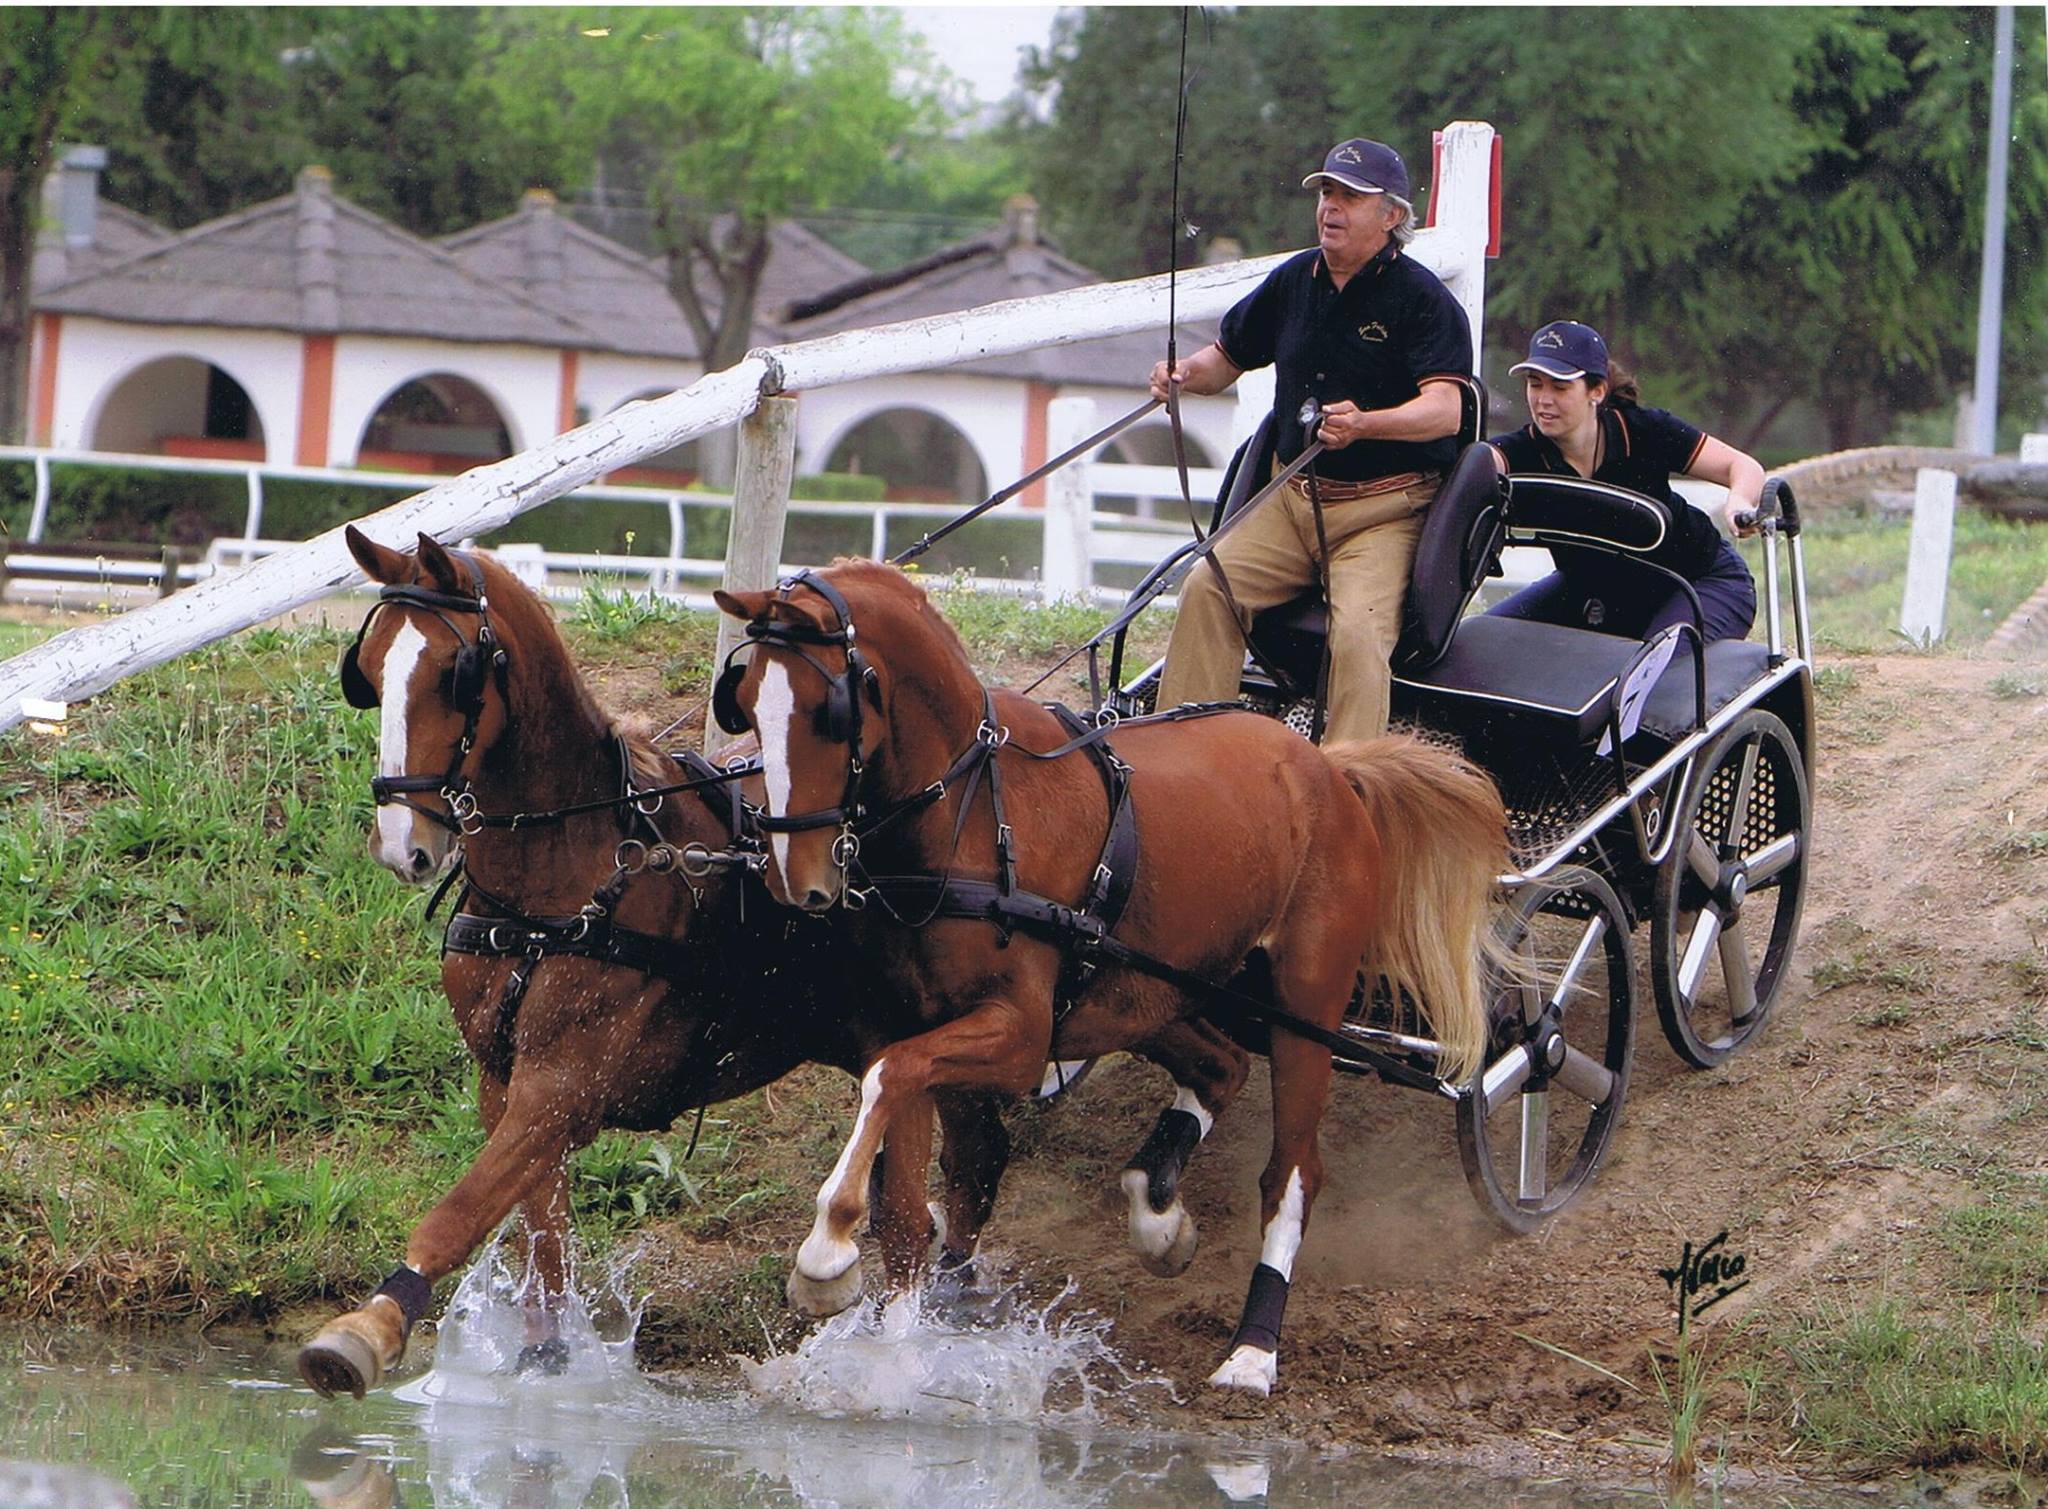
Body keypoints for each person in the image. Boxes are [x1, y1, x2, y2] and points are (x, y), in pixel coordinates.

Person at [1149, 136, 1473, 743]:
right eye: (1326, 192)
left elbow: (1446, 412)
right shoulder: (1294, 280)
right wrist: (1183, 375)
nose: (1331, 207)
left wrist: (1368, 424)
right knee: (1207, 586)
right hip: (1293, 497)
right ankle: (1186, 750)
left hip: (1383, 512)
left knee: (1357, 637)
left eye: (1350, 196)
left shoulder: (1424, 301)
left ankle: (1348, 787)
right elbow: (1226, 359)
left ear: (1392, 215)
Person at [1487, 320, 1762, 644]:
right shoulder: (1522, 450)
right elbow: (1476, 467)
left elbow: (1742, 465)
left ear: (1597, 391)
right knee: (1484, 640)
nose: (1543, 399)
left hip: (1699, 581)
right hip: (1592, 591)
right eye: (1535, 384)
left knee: (1651, 674)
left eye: (1560, 387)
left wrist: (1740, 502)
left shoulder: (1645, 430)